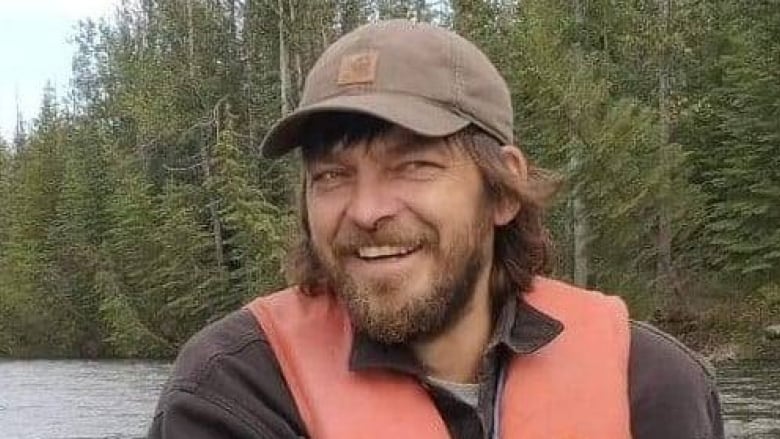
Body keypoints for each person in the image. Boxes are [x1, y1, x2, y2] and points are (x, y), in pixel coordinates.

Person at [148, 19, 724, 439]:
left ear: (501, 189)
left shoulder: (651, 384)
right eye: (332, 176)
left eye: (413, 166)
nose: (367, 209)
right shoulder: (236, 391)